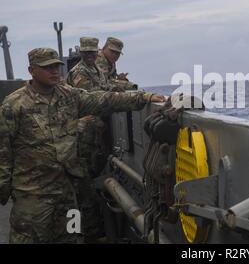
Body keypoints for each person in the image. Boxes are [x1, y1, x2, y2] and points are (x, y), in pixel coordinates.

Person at [0, 47, 165, 243]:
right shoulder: (14, 105)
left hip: (68, 190)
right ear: (31, 70)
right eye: (47, 67)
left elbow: (103, 99)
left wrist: (143, 97)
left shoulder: (68, 96)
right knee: (28, 238)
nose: (54, 71)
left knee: (71, 236)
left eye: (56, 66)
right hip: (33, 194)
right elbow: (3, 150)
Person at [66, 37, 121, 242]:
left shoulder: (95, 70)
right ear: (81, 53)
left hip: (93, 133)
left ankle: (89, 230)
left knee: (88, 181)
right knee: (83, 187)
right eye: (86, 52)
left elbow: (105, 88)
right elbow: (92, 99)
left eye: (92, 52)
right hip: (83, 135)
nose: (90, 56)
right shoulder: (80, 72)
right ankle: (86, 232)